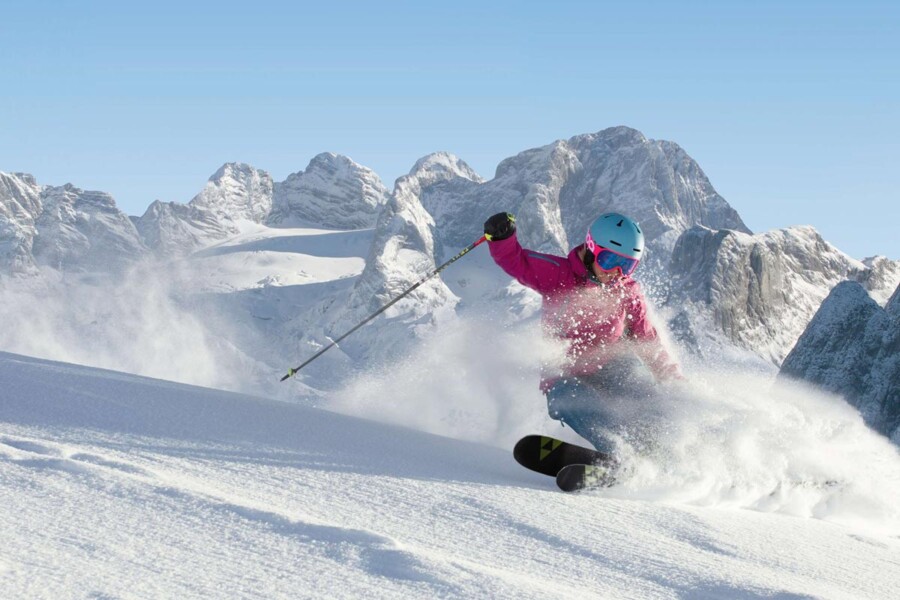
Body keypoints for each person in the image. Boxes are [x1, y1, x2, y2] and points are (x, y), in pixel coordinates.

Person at [483, 211, 682, 457]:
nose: (617, 271)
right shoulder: (559, 274)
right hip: (565, 372)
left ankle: (662, 450)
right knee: (570, 399)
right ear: (591, 249)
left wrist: (672, 379)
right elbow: (517, 261)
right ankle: (620, 454)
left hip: (611, 364)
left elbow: (646, 338)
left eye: (628, 265)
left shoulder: (627, 291)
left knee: (642, 387)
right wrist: (502, 238)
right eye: (609, 260)